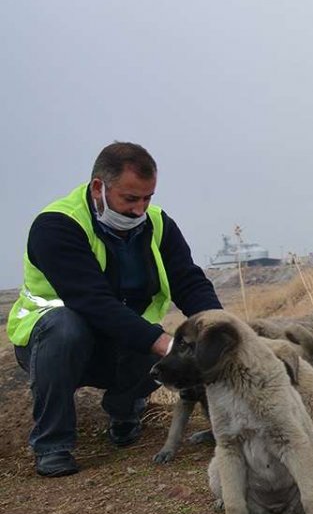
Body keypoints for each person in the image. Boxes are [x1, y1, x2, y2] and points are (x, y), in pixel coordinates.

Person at [8, 142, 222, 477]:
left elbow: (188, 281)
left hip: (123, 343)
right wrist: (172, 347)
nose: (140, 210)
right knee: (67, 327)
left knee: (168, 344)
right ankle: (53, 443)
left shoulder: (157, 223)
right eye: (130, 199)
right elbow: (94, 303)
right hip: (58, 344)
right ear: (98, 188)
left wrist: (218, 331)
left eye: (147, 198)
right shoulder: (56, 226)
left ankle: (124, 412)